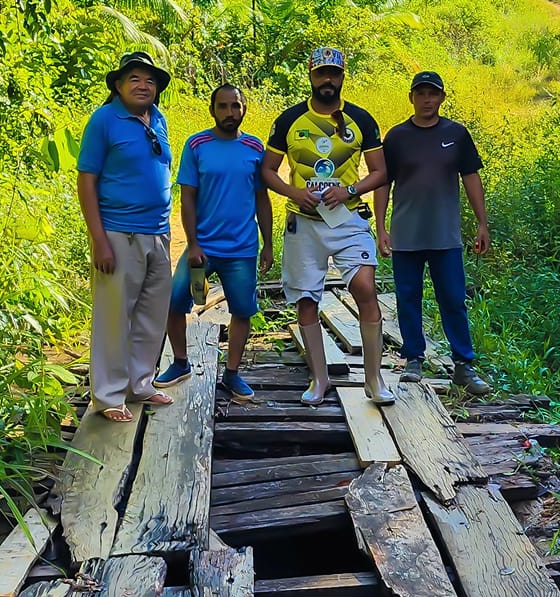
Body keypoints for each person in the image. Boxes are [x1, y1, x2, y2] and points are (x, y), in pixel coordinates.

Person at [263, 46, 395, 407]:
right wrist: (294, 192)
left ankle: (374, 379)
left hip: (348, 217)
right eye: (321, 73)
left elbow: (382, 171)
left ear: (342, 76)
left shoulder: (361, 120)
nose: (327, 80)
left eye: (333, 74)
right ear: (310, 75)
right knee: (306, 300)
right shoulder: (290, 120)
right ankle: (319, 379)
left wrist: (349, 189)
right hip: (304, 223)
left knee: (365, 287)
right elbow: (267, 170)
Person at [375, 69, 492, 397]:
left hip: (445, 236)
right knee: (408, 298)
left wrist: (482, 223)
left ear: (441, 97)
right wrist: (381, 228)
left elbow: (471, 178)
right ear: (411, 97)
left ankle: (463, 366)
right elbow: (383, 182)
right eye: (421, 93)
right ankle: (413, 358)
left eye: (433, 94)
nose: (427, 100)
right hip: (406, 235)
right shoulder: (397, 137)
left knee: (453, 299)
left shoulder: (456, 134)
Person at [157, 82, 274, 402]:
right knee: (174, 301)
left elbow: (262, 198)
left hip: (242, 249)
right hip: (203, 248)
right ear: (212, 110)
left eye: (235, 106)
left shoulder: (254, 148)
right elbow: (188, 199)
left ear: (244, 109)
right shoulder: (197, 145)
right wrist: (193, 244)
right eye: (222, 106)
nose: (229, 112)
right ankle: (180, 362)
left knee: (243, 310)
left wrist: (267, 244)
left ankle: (233, 373)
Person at [76, 51, 174, 422]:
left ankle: (140, 384)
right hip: (118, 233)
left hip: (158, 233)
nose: (143, 85)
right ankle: (108, 395)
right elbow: (87, 180)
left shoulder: (158, 119)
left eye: (149, 80)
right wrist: (98, 239)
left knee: (151, 315)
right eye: (134, 78)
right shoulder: (104, 120)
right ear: (118, 85)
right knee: (115, 317)